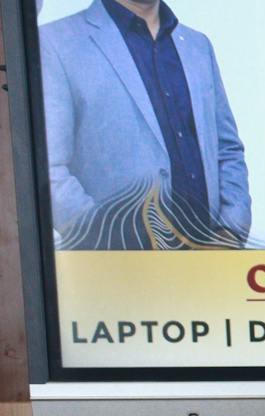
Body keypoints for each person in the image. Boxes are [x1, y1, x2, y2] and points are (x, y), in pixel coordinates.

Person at [39, 0, 251, 246]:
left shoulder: (197, 46)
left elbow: (227, 149)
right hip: (120, 270)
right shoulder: (55, 43)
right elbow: (47, 168)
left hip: (209, 259)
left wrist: (230, 230)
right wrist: (105, 240)